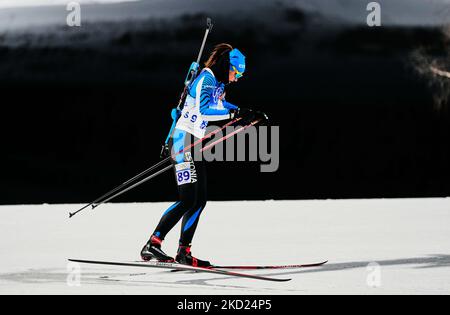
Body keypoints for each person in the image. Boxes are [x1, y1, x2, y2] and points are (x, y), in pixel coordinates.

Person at [141, 43, 246, 267]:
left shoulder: (217, 83)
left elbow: (220, 103)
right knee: (187, 198)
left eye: (240, 75)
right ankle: (153, 243)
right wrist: (234, 113)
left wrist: (244, 111)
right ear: (228, 66)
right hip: (181, 142)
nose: (236, 78)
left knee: (199, 200)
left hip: (193, 143)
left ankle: (183, 252)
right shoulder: (206, 78)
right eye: (236, 73)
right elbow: (204, 110)